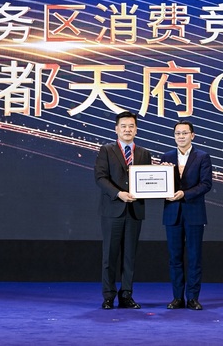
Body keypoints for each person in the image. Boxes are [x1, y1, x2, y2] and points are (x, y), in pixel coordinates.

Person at [94, 111, 152, 309]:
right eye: (124, 126)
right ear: (116, 129)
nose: (127, 129)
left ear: (136, 130)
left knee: (130, 256)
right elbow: (100, 178)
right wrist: (119, 194)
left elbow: (149, 180)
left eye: (131, 126)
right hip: (113, 210)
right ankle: (108, 296)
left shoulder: (144, 153)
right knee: (109, 255)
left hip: (135, 210)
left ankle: (126, 294)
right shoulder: (106, 150)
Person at [162, 120, 212, 310]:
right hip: (172, 213)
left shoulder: (202, 157)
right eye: (178, 133)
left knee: (194, 257)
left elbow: (206, 184)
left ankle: (192, 298)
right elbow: (160, 183)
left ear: (192, 135)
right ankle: (177, 298)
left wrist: (185, 194)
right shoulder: (167, 156)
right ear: (174, 136)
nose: (181, 136)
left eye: (184, 133)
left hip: (194, 212)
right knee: (174, 258)